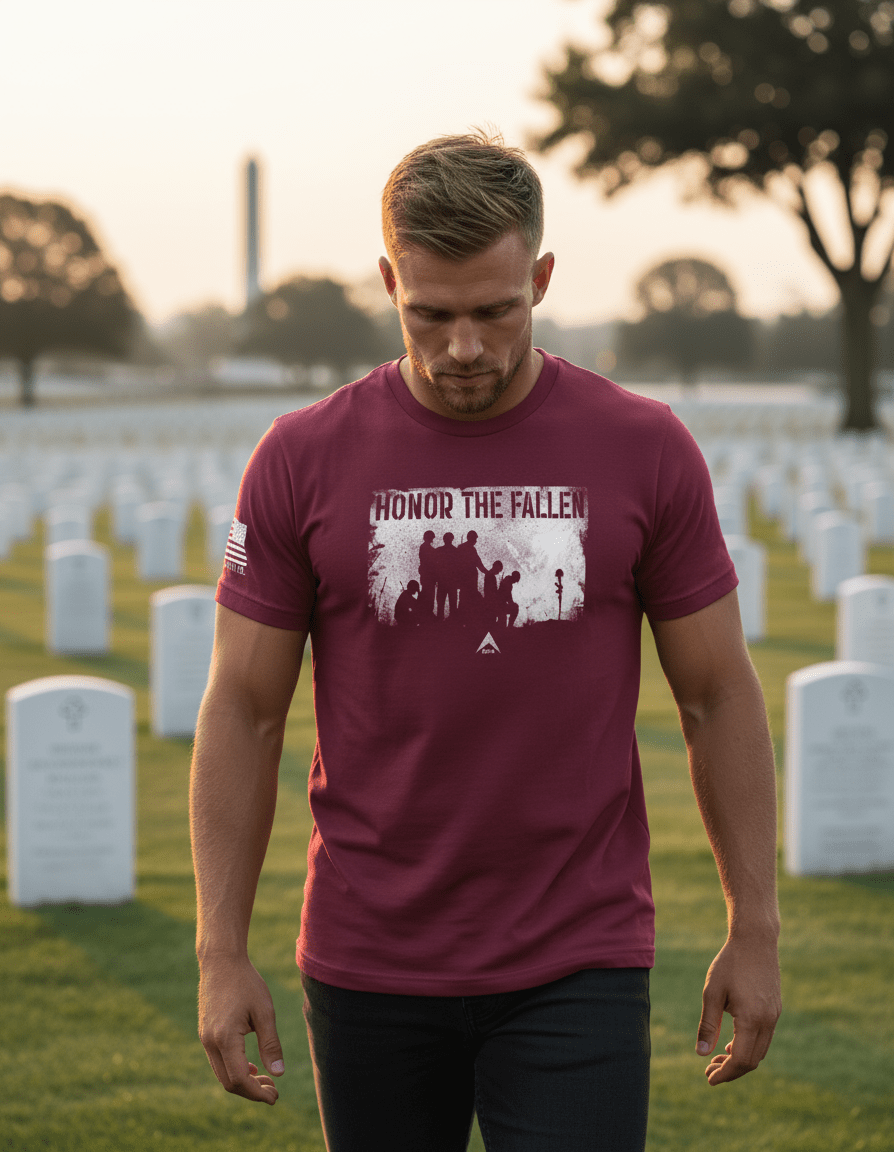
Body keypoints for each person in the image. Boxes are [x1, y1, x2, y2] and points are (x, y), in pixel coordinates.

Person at [191, 130, 781, 1152]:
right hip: (368, 954)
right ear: (389, 283)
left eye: (495, 311)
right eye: (431, 314)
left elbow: (716, 693)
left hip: (578, 953)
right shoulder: (300, 458)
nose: (464, 347)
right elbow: (243, 710)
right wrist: (219, 950)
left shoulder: (643, 447)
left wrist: (755, 927)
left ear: (541, 280)